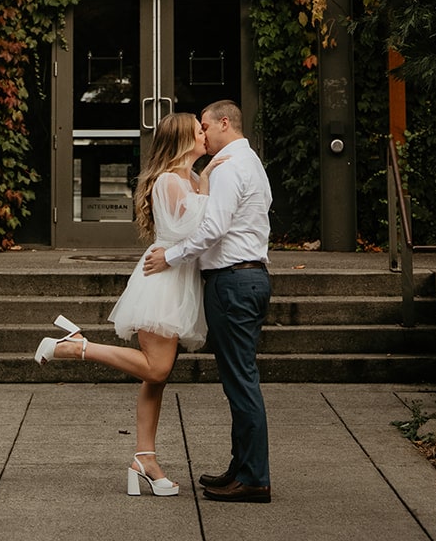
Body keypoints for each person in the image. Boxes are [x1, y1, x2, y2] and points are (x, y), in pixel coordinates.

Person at [33, 109, 213, 497]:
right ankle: (76, 347)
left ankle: (144, 458)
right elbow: (194, 227)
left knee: (154, 379)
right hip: (163, 281)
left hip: (178, 280)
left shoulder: (192, 178)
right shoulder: (169, 181)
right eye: (200, 131)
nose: (205, 136)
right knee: (158, 369)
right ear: (184, 139)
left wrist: (207, 181)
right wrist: (214, 183)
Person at [143, 98, 273, 503]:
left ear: (222, 123)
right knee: (238, 379)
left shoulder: (233, 167)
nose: (201, 132)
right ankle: (241, 468)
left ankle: (252, 478)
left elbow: (213, 227)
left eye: (204, 125)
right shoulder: (244, 162)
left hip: (234, 282)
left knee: (241, 382)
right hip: (241, 279)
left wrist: (172, 256)